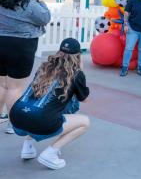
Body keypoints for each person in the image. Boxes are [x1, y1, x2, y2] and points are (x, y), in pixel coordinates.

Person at [9, 38, 90, 170]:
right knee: (85, 122)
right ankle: (51, 153)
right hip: (40, 122)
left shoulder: (44, 67)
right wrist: (81, 72)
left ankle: (28, 146)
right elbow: (84, 98)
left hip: (16, 116)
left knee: (40, 105)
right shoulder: (76, 74)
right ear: (78, 56)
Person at [0, 0, 51, 134]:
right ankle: (13, 124)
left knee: (1, 84)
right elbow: (45, 18)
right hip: (21, 47)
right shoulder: (30, 4)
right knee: (15, 88)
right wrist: (42, 1)